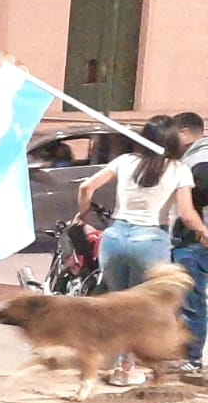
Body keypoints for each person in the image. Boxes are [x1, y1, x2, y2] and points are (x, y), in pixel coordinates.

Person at [76, 114, 199, 386]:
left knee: (118, 305)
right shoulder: (178, 170)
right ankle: (129, 367)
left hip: (115, 237)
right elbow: (187, 215)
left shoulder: (124, 162)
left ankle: (114, 366)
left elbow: (86, 186)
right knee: (143, 309)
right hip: (150, 240)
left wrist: (83, 215)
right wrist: (203, 232)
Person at [170, 111, 208, 373]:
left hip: (194, 239)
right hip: (195, 238)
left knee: (190, 299)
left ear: (184, 133)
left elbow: (196, 202)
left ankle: (191, 357)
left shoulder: (199, 161)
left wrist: (199, 228)